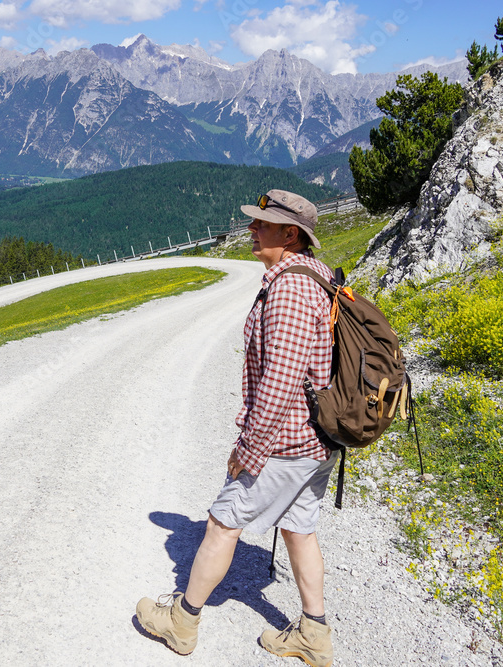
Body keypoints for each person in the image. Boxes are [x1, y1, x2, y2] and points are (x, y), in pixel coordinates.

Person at [136, 189, 338, 667]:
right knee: (298, 528)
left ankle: (182, 622)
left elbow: (281, 380)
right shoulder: (317, 276)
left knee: (222, 523)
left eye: (263, 224)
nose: (252, 229)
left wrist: (250, 450)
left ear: (291, 234)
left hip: (286, 441)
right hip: (317, 440)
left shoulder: (290, 288)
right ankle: (314, 634)